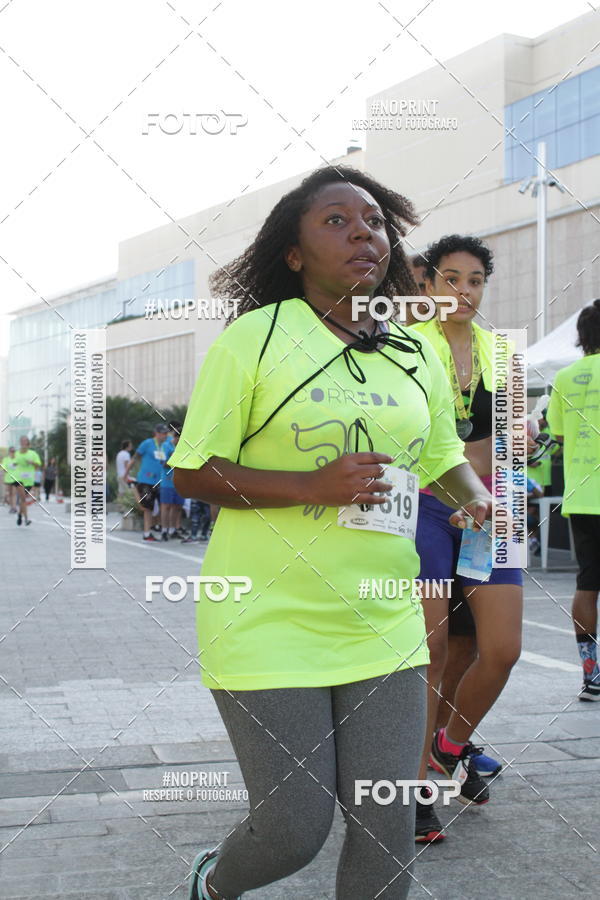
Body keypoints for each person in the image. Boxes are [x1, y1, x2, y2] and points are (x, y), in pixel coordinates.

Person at [171, 166, 493, 900]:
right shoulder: (254, 340)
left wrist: (476, 497)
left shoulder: (415, 353)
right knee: (292, 827)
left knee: (386, 829)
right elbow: (192, 473)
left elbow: (442, 454)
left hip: (381, 617)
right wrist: (310, 488)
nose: (362, 234)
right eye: (337, 222)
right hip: (266, 615)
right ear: (294, 253)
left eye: (374, 221)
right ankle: (214, 883)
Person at [409, 234, 524, 841]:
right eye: (450, 279)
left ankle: (446, 752)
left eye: (475, 280)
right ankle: (417, 794)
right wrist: (486, 449)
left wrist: (519, 440)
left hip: (492, 509)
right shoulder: (403, 346)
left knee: (501, 650)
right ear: (426, 286)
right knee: (429, 658)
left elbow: (501, 443)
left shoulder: (502, 352)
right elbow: (424, 445)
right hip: (424, 509)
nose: (463, 291)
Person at [547, 299, 600, 702]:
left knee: (588, 582)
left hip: (583, 496)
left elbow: (559, 436)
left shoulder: (565, 377)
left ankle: (591, 674)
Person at [125, 425, 171, 541]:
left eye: (166, 433)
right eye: (163, 433)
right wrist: (126, 474)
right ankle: (147, 533)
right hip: (146, 480)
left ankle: (158, 528)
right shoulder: (147, 443)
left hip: (160, 480)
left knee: (160, 506)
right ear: (156, 433)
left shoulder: (165, 446)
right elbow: (135, 458)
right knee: (147, 507)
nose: (165, 435)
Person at [160, 423, 186, 540]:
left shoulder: (183, 448)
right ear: (175, 437)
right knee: (166, 506)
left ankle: (173, 529)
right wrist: (174, 457)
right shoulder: (165, 446)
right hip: (167, 482)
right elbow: (163, 463)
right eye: (180, 439)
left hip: (180, 482)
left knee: (177, 507)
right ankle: (164, 530)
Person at [12, 436, 42, 526]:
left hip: (29, 480)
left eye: (25, 441)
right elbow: (12, 463)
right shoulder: (16, 454)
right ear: (20, 443)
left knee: (23, 500)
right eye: (21, 441)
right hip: (18, 478)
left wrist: (32, 462)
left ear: (28, 443)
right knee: (23, 499)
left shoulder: (33, 454)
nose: (23, 443)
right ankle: (26, 519)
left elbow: (38, 466)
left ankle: (19, 515)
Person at [1, 446, 19, 512]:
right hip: (8, 479)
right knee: (10, 493)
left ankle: (14, 507)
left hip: (15, 478)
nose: (12, 452)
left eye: (14, 451)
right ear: (9, 452)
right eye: (11, 451)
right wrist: (5, 469)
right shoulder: (6, 459)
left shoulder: (17, 459)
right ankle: (11, 507)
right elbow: (3, 468)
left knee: (14, 493)